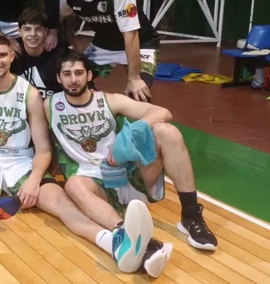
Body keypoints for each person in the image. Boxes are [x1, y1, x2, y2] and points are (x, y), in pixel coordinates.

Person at [0, 36, 166, 277]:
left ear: (11, 57)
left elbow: (43, 149)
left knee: (61, 203)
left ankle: (115, 244)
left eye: (2, 55)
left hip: (20, 160)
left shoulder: (29, 94)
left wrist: (34, 178)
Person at [48, 50, 218, 275]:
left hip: (127, 176)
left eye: (79, 73)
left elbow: (162, 112)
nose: (73, 79)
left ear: (89, 75)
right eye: (67, 74)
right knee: (72, 184)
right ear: (59, 78)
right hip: (93, 184)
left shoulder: (110, 100)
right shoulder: (48, 105)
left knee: (168, 132)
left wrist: (126, 136)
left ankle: (190, 216)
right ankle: (130, 236)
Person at [61, 0, 161, 102]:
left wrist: (134, 78)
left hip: (141, 43)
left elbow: (131, 34)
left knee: (139, 95)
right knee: (73, 83)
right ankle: (98, 112)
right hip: (103, 44)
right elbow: (58, 19)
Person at [9, 7, 69, 98]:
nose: (33, 34)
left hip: (52, 107)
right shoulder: (10, 52)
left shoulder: (61, 54)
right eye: (27, 29)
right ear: (19, 31)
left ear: (46, 32)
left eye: (38, 29)